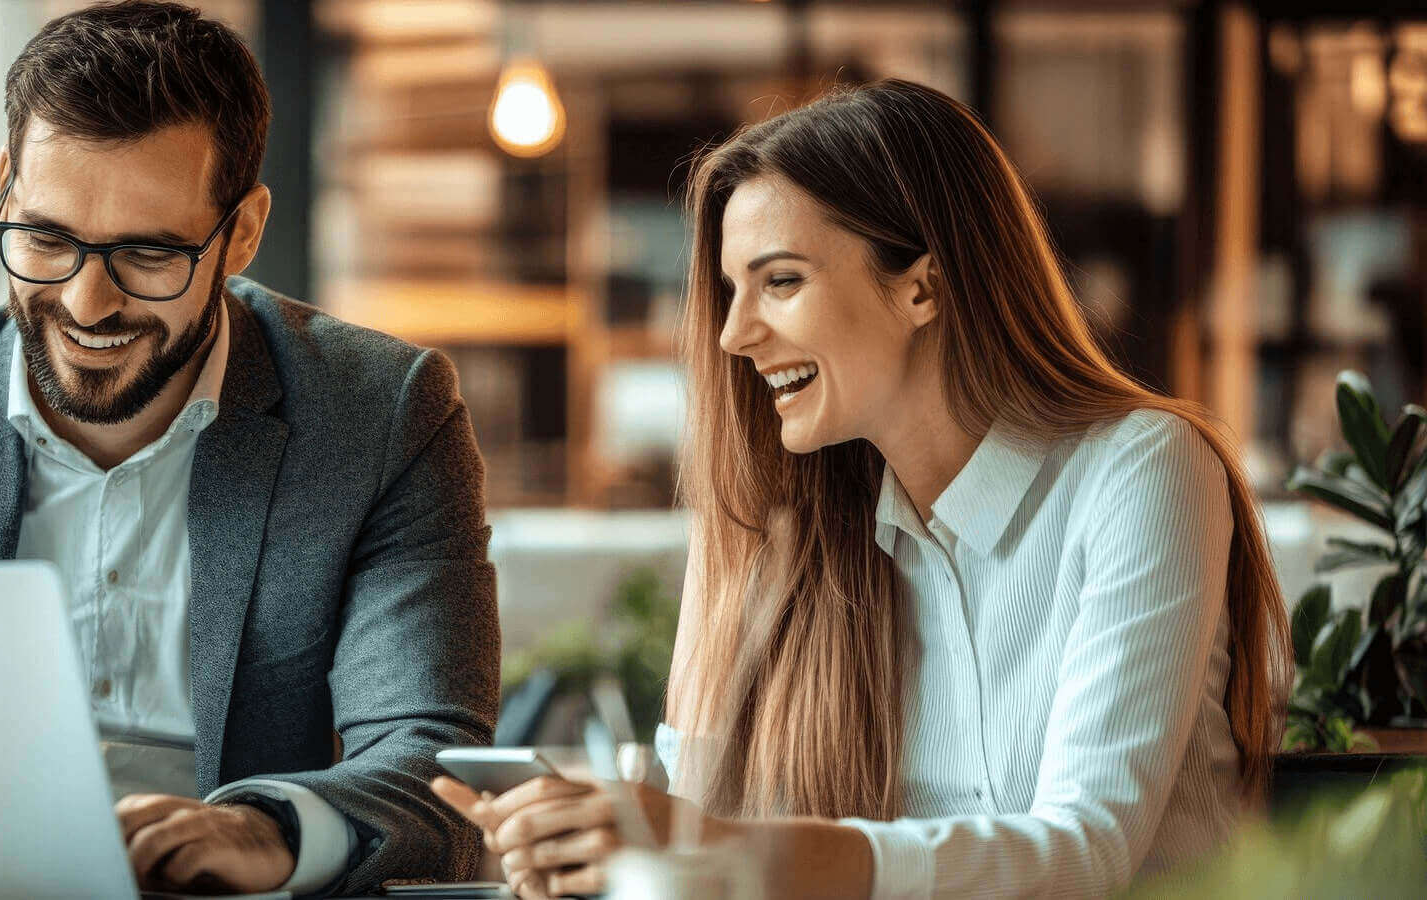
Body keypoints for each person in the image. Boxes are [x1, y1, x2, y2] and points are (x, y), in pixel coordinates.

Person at [435, 78, 1292, 899]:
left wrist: (721, 848)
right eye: (732, 292)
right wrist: (603, 857)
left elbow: (1084, 853)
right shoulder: (796, 526)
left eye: (780, 281)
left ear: (922, 286)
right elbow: (703, 846)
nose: (734, 334)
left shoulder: (1143, 469)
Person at [0, 2, 497, 894]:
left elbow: (437, 773)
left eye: (148, 253)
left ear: (244, 233)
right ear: (4, 189)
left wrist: (269, 833)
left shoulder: (380, 416)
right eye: (47, 238)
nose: (86, 302)